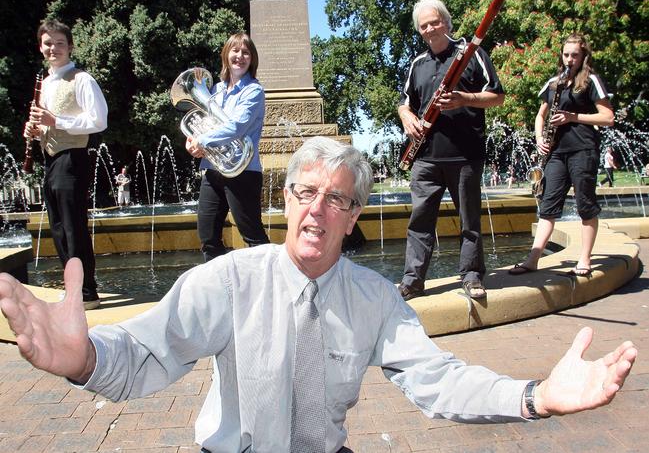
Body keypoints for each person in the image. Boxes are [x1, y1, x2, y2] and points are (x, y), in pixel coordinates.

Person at [0, 137, 638, 453]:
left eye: (336, 199)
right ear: (284, 201)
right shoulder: (229, 281)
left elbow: (438, 381)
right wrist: (83, 360)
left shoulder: (375, 300)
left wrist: (536, 397)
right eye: (305, 192)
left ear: (355, 213)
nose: (316, 211)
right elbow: (147, 353)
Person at [397, 0, 505, 301]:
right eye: (424, 26)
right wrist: (407, 117)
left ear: (446, 21)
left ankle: (471, 276)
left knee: (469, 221)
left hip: (465, 155)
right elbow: (405, 103)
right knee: (419, 221)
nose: (430, 29)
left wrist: (464, 99)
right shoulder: (418, 64)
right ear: (419, 30)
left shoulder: (472, 54)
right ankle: (413, 280)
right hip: (425, 157)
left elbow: (497, 96)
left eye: (435, 22)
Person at [509, 33, 614, 277]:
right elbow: (540, 115)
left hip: (583, 150)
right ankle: (533, 259)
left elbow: (608, 118)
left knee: (585, 205)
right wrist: (539, 140)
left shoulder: (591, 81)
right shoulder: (555, 82)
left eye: (574, 55)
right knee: (548, 205)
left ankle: (585, 259)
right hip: (556, 152)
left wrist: (573, 117)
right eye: (566, 54)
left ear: (583, 56)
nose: (569, 59)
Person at [23, 19, 108, 310]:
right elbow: (45, 125)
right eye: (48, 43)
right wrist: (34, 131)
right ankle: (74, 289)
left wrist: (55, 121)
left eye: (60, 43)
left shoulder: (82, 79)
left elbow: (98, 120)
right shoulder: (45, 83)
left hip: (73, 159)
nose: (54, 48)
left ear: (70, 46)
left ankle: (87, 293)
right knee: (58, 228)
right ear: (40, 47)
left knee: (74, 227)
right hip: (51, 160)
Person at [185, 33, 269, 261]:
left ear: (252, 59)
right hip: (213, 169)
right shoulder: (215, 90)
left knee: (252, 236)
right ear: (226, 55)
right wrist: (192, 141)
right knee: (208, 236)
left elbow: (237, 126)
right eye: (235, 51)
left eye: (245, 52)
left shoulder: (253, 90)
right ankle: (221, 289)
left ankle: (274, 284)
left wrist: (202, 140)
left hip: (243, 171)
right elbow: (202, 123)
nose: (239, 56)